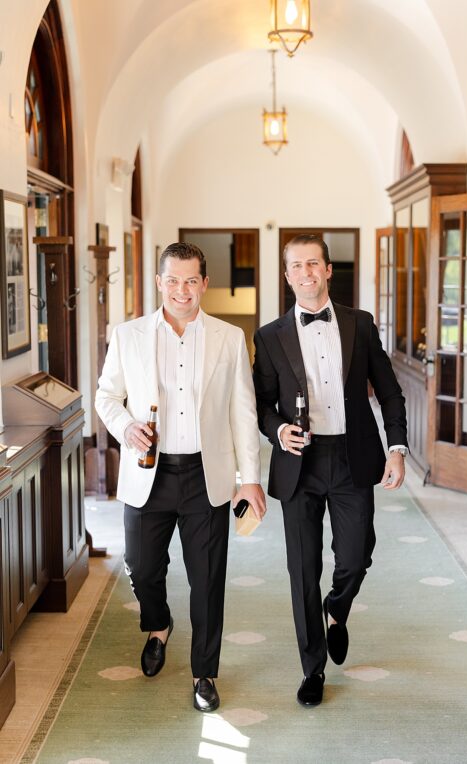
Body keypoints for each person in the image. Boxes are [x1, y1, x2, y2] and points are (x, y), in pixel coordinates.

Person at [96, 242, 267, 713]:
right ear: (158, 282)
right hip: (147, 471)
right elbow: (106, 396)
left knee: (208, 579)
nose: (182, 290)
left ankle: (204, 673)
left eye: (191, 280)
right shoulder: (127, 335)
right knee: (142, 566)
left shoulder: (230, 338)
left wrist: (249, 478)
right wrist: (126, 426)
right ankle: (158, 624)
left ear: (205, 284)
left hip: (205, 473)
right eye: (172, 280)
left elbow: (243, 411)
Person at [252, 234, 408, 707]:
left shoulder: (361, 324)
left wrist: (397, 448)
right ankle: (312, 669)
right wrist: (278, 431)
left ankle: (336, 609)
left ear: (327, 269)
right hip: (299, 463)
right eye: (296, 266)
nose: (306, 273)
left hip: (353, 456)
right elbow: (259, 405)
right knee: (302, 570)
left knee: (356, 556)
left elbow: (391, 391)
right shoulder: (269, 335)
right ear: (287, 275)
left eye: (313, 264)